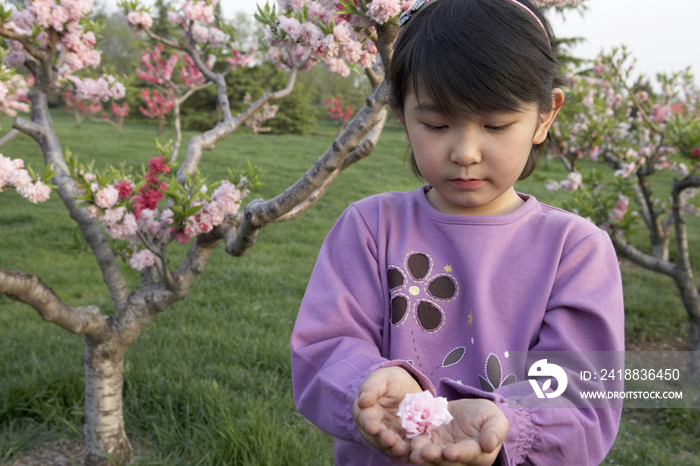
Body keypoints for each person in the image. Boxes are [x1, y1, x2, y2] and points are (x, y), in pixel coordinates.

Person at [291, 0, 625, 464]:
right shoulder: (370, 229)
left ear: (545, 116)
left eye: (495, 124)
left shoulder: (575, 250)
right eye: (436, 124)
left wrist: (510, 426)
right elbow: (324, 347)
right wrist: (366, 384)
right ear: (403, 115)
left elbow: (583, 392)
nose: (465, 151)